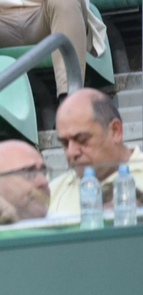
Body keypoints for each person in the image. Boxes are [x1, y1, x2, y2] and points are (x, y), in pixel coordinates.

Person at [48, 88, 143, 217]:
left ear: (115, 131)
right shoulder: (52, 194)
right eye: (64, 143)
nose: (71, 152)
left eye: (82, 140)